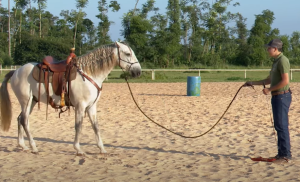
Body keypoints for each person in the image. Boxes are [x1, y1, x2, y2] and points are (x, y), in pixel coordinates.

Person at [244, 39, 292, 160]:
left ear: (275, 49)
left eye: (269, 48)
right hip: (276, 96)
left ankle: (285, 154)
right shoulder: (276, 62)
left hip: (282, 96)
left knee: (281, 125)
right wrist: (252, 82)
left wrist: (269, 90)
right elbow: (268, 80)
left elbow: (285, 81)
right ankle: (281, 153)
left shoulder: (283, 61)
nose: (267, 50)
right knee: (278, 125)